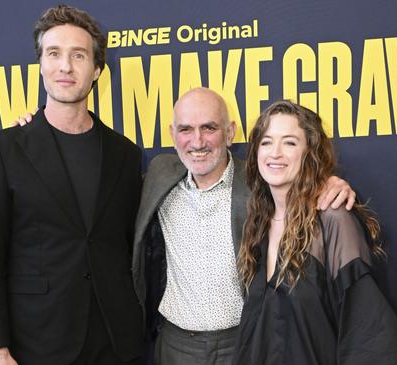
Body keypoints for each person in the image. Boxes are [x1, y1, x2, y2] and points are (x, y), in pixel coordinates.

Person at [130, 88, 357, 365]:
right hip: (175, 346)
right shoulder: (159, 174)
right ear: (172, 134)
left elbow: (297, 182)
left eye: (209, 128)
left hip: (243, 342)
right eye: (185, 129)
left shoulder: (260, 184)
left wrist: (330, 184)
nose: (197, 141)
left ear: (230, 132)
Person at [0, 5, 142, 365]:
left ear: (97, 70)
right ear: (40, 64)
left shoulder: (126, 154)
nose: (65, 66)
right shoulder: (3, 149)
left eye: (78, 55)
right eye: (54, 53)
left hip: (115, 343)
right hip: (37, 343)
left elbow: (130, 249)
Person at [234, 100, 397, 364]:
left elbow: (366, 330)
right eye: (266, 142)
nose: (275, 153)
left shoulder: (332, 220)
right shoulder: (257, 223)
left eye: (289, 142)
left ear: (309, 152)